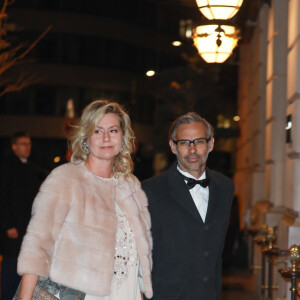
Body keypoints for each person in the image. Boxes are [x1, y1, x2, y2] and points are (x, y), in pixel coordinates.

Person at [17, 100, 153, 300]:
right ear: (85, 138)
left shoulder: (130, 186)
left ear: (123, 138)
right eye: (97, 131)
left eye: (113, 130)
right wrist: (24, 298)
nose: (106, 137)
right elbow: (37, 245)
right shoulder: (66, 179)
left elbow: (136, 258)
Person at [142, 112, 234, 300]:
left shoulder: (225, 187)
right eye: (184, 142)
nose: (192, 150)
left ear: (211, 144)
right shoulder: (150, 191)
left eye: (199, 141)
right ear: (173, 147)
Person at [0, 132, 40, 300]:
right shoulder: (6, 166)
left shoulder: (30, 167)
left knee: (24, 264)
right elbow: (2, 197)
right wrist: (8, 225)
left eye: (29, 143)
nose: (27, 147)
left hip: (27, 226)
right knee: (11, 264)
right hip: (12, 227)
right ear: (14, 146)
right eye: (23, 144)